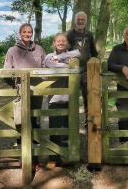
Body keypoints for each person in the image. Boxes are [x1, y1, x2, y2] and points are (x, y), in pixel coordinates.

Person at [3, 23, 46, 172]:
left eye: (30, 32)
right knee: (21, 122)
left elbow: (45, 69)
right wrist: (16, 87)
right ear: (20, 33)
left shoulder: (39, 49)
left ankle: (35, 156)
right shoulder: (12, 51)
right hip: (21, 93)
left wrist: (42, 85)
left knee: (35, 121)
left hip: (37, 92)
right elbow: (6, 72)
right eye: (25, 32)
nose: (27, 34)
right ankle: (23, 155)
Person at [44, 33, 81, 170]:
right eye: (58, 41)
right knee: (54, 127)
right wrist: (69, 66)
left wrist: (59, 58)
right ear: (54, 43)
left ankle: (65, 155)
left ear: (67, 43)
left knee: (67, 127)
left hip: (69, 97)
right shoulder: (48, 56)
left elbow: (79, 53)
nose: (61, 43)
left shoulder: (73, 54)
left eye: (63, 41)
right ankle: (53, 157)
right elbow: (51, 64)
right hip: (54, 97)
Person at [66, 12, 98, 123]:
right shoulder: (69, 34)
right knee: (71, 99)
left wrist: (95, 67)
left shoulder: (89, 34)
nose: (80, 21)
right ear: (75, 20)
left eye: (82, 20)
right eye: (78, 19)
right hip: (71, 72)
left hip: (86, 71)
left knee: (88, 98)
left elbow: (94, 52)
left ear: (86, 21)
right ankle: (71, 129)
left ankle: (89, 127)